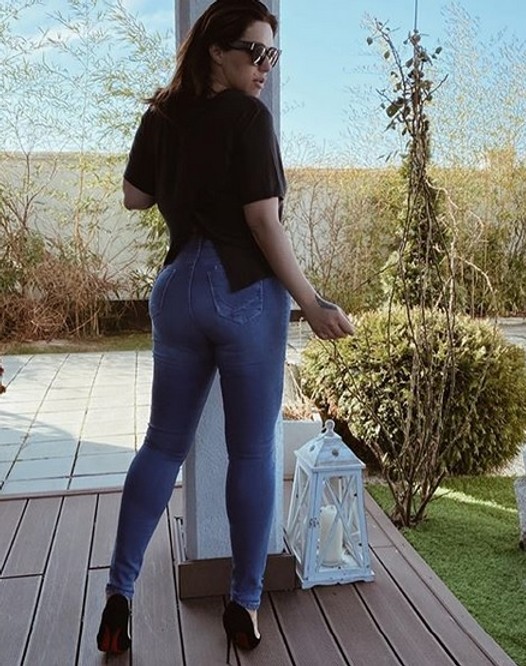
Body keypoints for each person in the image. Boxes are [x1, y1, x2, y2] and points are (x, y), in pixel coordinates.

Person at [96, 0, 354, 659]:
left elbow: (135, 197)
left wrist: (177, 164)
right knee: (251, 452)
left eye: (272, 54)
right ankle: (243, 605)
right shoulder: (248, 117)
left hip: (178, 287)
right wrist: (311, 302)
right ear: (215, 49)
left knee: (162, 446)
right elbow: (264, 222)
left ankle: (119, 595)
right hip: (243, 292)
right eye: (254, 52)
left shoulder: (162, 114)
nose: (265, 67)